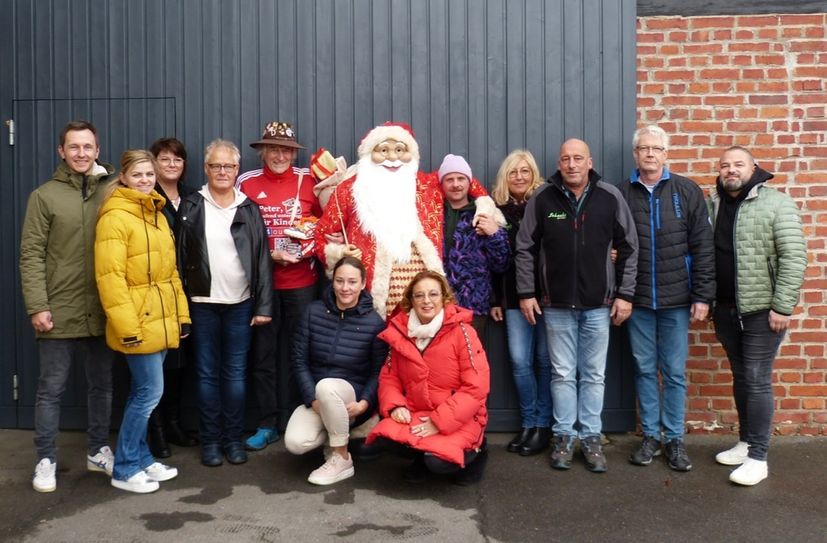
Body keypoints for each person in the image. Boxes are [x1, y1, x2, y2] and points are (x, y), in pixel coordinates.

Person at [516, 138, 638, 473]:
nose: (571, 164)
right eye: (566, 158)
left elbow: (629, 247)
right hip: (555, 306)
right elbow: (525, 247)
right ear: (559, 163)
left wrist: (625, 295)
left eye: (578, 158)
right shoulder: (543, 199)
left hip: (599, 306)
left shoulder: (609, 197)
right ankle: (564, 437)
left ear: (590, 161)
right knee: (562, 374)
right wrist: (526, 292)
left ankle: (592, 437)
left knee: (594, 375)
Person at [20, 120, 117, 493]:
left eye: (87, 147)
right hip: (57, 309)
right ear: (62, 151)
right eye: (73, 147)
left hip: (103, 306)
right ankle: (45, 458)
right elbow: (31, 255)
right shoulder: (44, 196)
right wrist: (37, 305)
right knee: (51, 389)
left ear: (97, 149)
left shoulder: (112, 191)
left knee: (102, 386)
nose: (81, 153)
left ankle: (97, 450)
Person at [314, 122, 489, 319]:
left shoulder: (425, 184)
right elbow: (320, 235)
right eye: (383, 150)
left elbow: (462, 179)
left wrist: (485, 205)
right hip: (373, 288)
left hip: (422, 291)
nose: (392, 157)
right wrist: (339, 252)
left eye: (399, 149)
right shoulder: (349, 190)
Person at [619, 125, 715, 472]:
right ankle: (651, 437)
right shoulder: (622, 194)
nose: (649, 154)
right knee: (644, 369)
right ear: (635, 154)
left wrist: (702, 295)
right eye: (643, 148)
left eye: (656, 148)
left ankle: (674, 438)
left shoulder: (686, 191)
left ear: (665, 154)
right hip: (639, 300)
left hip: (677, 300)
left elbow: (704, 247)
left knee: (673, 372)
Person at [709, 146, 806, 486]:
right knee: (741, 376)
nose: (731, 170)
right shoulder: (715, 204)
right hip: (725, 309)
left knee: (756, 377)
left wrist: (782, 305)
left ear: (754, 168)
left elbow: (794, 257)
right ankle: (746, 441)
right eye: (725, 166)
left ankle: (759, 458)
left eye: (738, 164)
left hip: (762, 311)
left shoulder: (776, 203)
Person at [95, 149, 190, 493]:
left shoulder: (156, 214)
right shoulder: (115, 217)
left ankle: (143, 458)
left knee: (143, 392)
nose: (146, 181)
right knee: (148, 394)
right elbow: (110, 278)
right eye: (138, 175)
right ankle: (124, 467)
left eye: (149, 175)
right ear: (123, 177)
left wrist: (180, 315)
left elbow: (171, 274)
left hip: (161, 319)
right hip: (138, 321)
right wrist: (128, 327)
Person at [176, 139, 274, 467]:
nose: (222, 171)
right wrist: (180, 308)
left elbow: (261, 260)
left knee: (234, 375)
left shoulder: (248, 208)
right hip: (201, 304)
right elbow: (176, 260)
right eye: (215, 166)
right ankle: (211, 441)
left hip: (240, 304)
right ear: (206, 169)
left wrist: (262, 307)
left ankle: (233, 439)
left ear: (237, 171)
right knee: (205, 376)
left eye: (228, 166)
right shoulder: (191, 206)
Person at [237, 121, 323, 451]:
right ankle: (267, 422)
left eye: (286, 149)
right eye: (273, 148)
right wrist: (268, 256)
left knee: (299, 354)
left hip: (302, 282)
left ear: (293, 152)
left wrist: (306, 250)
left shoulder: (308, 181)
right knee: (263, 355)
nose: (279, 155)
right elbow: (236, 231)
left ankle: (297, 420)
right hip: (262, 284)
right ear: (262, 151)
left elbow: (326, 225)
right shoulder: (246, 182)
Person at [367, 271, 491, 485]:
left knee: (439, 463)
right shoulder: (401, 332)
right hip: (419, 411)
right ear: (411, 301)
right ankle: (421, 459)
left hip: (460, 416)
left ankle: (477, 454)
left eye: (433, 294)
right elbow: (389, 378)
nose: (426, 301)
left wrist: (439, 422)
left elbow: (476, 387)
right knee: (385, 440)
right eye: (419, 295)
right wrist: (395, 406)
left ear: (444, 297)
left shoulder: (463, 333)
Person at [283, 257, 387, 485]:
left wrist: (365, 403)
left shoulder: (374, 323)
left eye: (352, 282)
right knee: (296, 443)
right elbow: (299, 360)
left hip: (351, 397)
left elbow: (378, 371)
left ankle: (341, 457)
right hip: (318, 397)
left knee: (327, 385)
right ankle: (335, 435)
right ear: (332, 282)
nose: (345, 288)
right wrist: (312, 399)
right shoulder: (313, 312)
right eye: (340, 281)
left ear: (363, 284)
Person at [490, 150, 553, 456]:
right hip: (512, 297)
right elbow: (490, 261)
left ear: (533, 174)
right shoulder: (496, 211)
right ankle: (529, 423)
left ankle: (543, 426)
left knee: (544, 360)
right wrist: (495, 299)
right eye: (513, 171)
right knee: (519, 361)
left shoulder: (545, 205)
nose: (519, 177)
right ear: (506, 176)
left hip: (547, 295)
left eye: (525, 171)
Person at [145, 137, 198, 457]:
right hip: (157, 290)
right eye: (165, 159)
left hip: (189, 291)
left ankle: (175, 422)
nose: (171, 165)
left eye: (177, 160)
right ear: (153, 163)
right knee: (156, 367)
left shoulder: (192, 197)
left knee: (181, 363)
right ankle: (157, 429)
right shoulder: (146, 196)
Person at [438, 154, 509, 339]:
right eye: (449, 179)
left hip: (473, 304)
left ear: (469, 182)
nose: (456, 184)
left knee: (471, 361)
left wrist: (495, 234)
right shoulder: (432, 214)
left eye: (461, 178)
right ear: (442, 183)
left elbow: (501, 263)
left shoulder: (483, 214)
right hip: (436, 305)